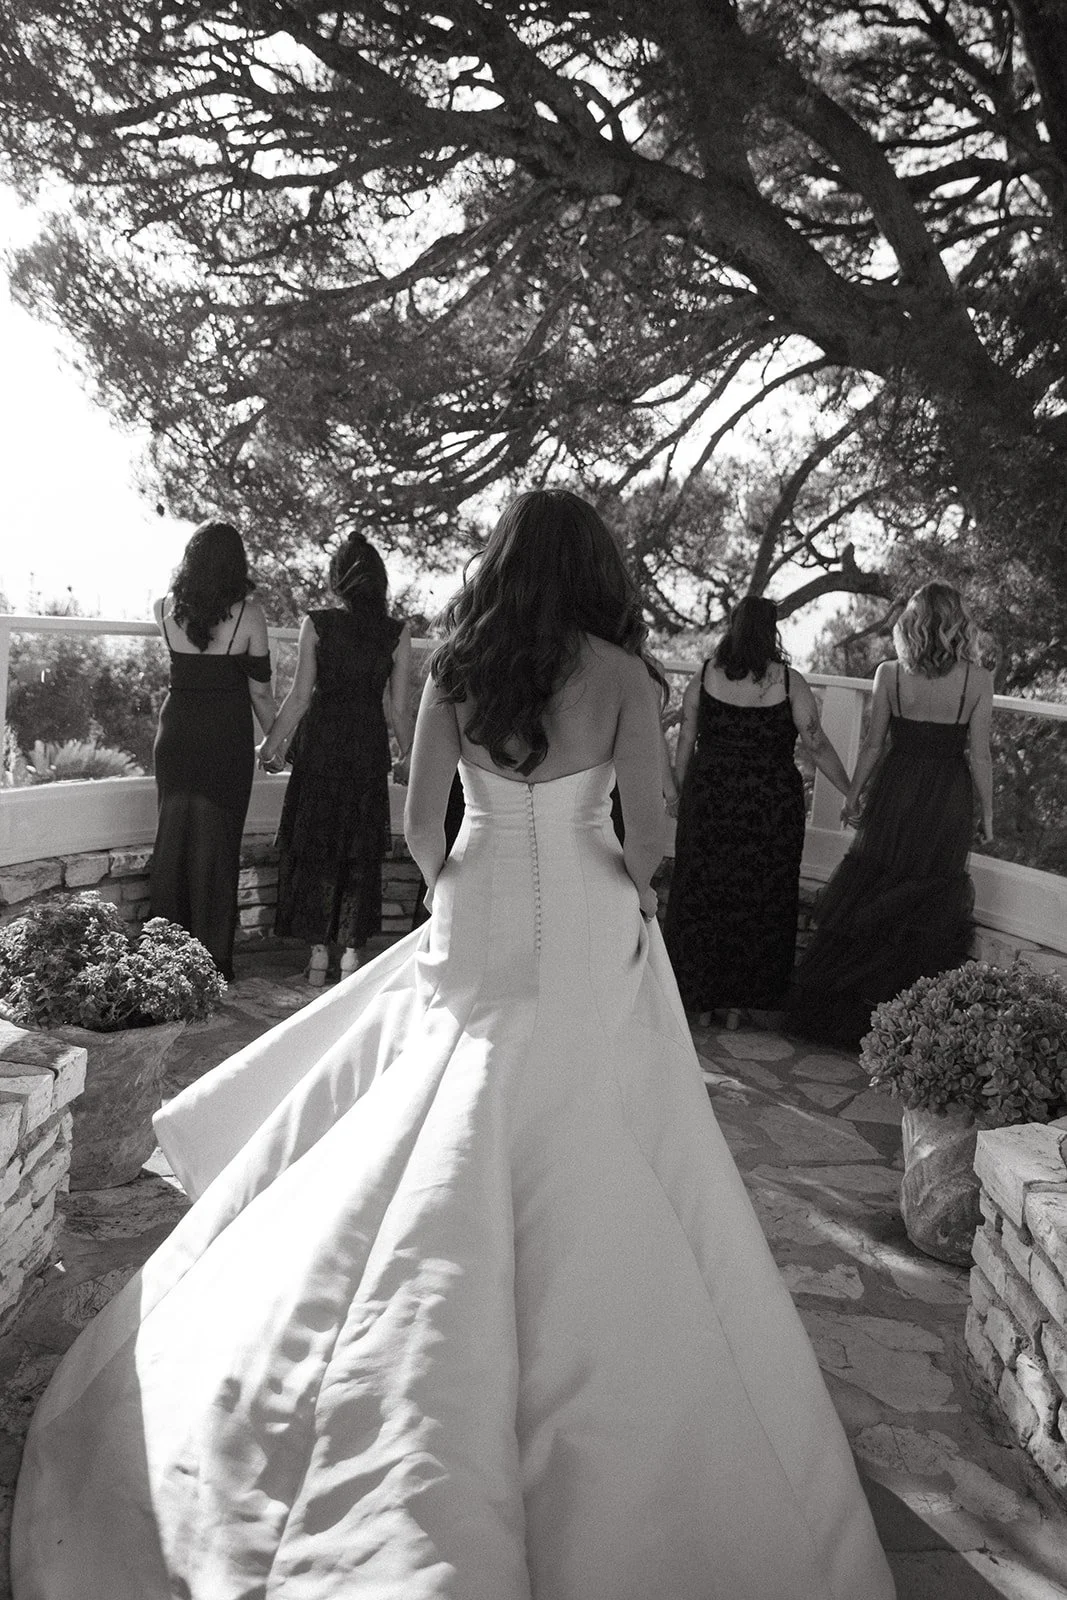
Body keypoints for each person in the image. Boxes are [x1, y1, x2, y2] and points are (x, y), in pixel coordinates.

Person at [11, 490, 894, 1600]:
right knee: (584, 1104)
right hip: (581, 901)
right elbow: (651, 833)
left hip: (472, 898)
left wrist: (452, 891)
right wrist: (625, 896)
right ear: (592, 573)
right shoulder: (623, 677)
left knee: (441, 1096)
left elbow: (419, 824)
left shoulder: (455, 669)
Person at [791, 580, 994, 1049]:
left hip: (897, 790)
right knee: (928, 897)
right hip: (947, 796)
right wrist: (988, 814)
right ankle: (911, 1027)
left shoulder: (890, 674)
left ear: (912, 624)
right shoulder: (977, 680)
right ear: (957, 623)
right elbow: (980, 755)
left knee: (878, 887)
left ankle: (853, 1017)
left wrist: (853, 795)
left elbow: (873, 743)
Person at [663, 595, 850, 1025]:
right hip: (769, 806)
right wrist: (850, 790)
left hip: (711, 798)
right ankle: (738, 1006)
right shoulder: (788, 682)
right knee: (758, 899)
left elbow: (686, 739)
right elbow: (816, 743)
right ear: (772, 631)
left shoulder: (706, 674)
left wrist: (677, 792)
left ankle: (700, 1002)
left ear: (733, 626)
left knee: (703, 894)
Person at [256, 534, 413, 984]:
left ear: (337, 579)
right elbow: (398, 710)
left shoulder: (318, 624)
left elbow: (300, 698)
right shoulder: (396, 634)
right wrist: (410, 757)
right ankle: (350, 960)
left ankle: (318, 956)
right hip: (365, 750)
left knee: (317, 848)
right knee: (358, 852)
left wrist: (272, 746)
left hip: (321, 748)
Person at [148, 520, 275, 980]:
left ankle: (163, 954)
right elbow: (261, 694)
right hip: (225, 735)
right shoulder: (248, 614)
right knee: (220, 842)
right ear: (236, 565)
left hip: (177, 729)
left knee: (173, 838)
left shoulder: (163, 607)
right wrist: (277, 744)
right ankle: (210, 960)